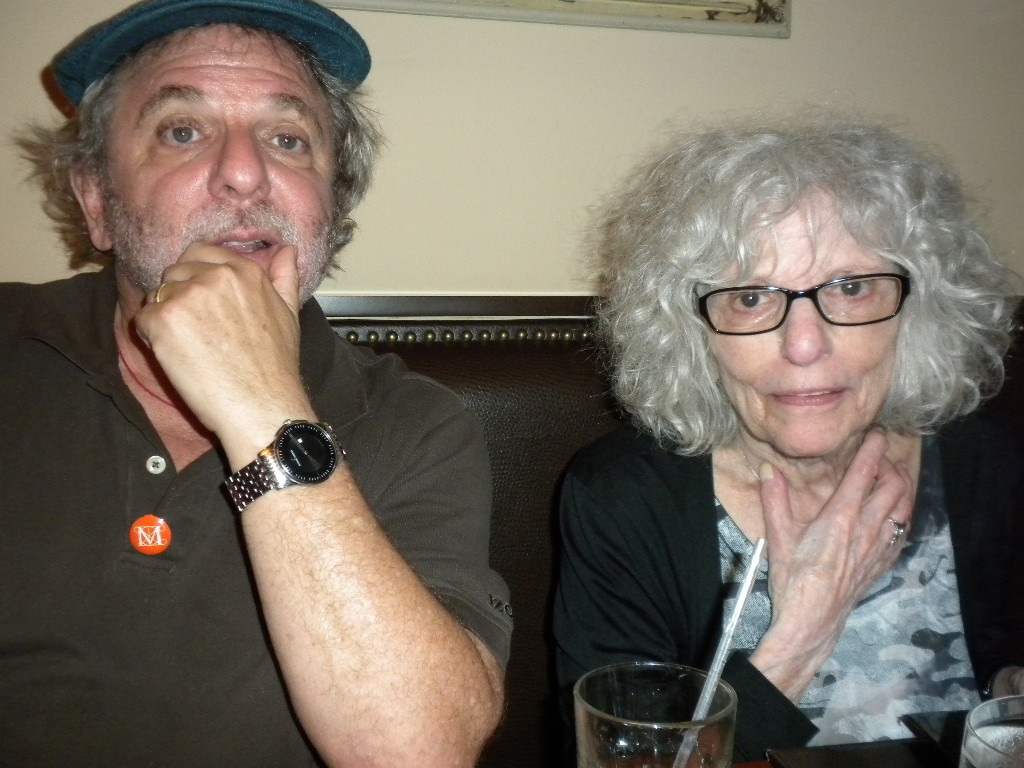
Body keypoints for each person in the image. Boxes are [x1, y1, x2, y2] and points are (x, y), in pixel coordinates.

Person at [0, 1, 511, 765]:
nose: (245, 172)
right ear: (97, 200)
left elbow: (417, 753)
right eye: (182, 131)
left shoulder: (417, 424)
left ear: (332, 206)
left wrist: (264, 406)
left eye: (287, 138)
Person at [552, 117, 1024, 762]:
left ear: (918, 310)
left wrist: (1008, 685)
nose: (803, 345)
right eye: (750, 298)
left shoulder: (989, 464)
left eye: (851, 288)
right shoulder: (623, 500)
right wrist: (803, 631)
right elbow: (625, 757)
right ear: (693, 331)